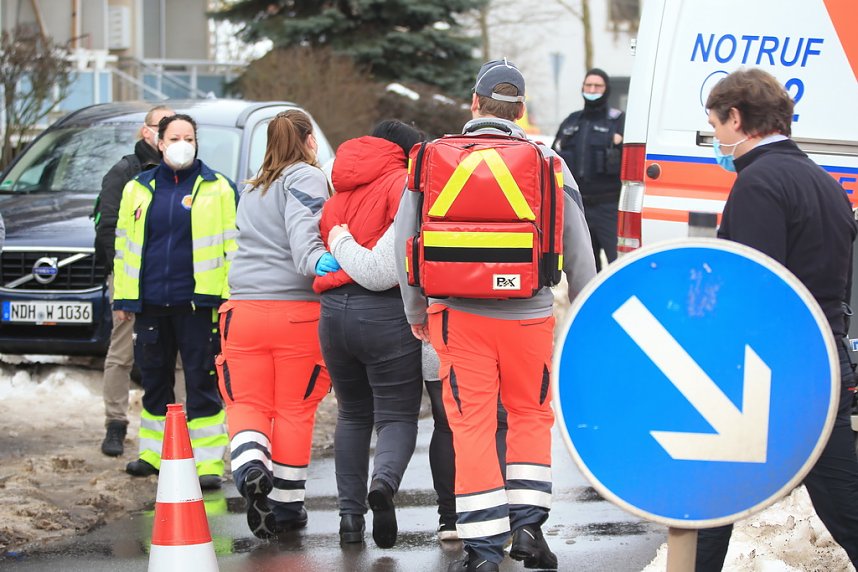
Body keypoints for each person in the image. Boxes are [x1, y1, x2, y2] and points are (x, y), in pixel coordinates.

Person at [394, 59, 597, 572]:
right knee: (530, 415)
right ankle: (528, 529)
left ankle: (483, 549)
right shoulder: (547, 159)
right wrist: (585, 304)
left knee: (473, 427)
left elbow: (404, 242)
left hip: (458, 317)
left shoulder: (431, 158)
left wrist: (416, 309)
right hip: (528, 315)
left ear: (474, 104)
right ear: (520, 111)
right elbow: (578, 243)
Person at [695, 68, 858, 571]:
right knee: (844, 506)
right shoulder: (824, 182)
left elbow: (754, 288)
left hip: (771, 374)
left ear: (737, 118)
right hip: (823, 363)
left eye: (716, 126)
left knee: (711, 500)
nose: (717, 139)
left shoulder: (758, 184)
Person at [215, 109, 335, 539]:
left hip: (243, 312)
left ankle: (249, 466)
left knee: (246, 404)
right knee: (292, 411)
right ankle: (286, 507)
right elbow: (306, 242)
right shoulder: (306, 178)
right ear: (307, 140)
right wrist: (337, 261)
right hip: (295, 314)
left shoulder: (252, 187)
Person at [314, 120, 424, 549]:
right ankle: (384, 484)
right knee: (396, 416)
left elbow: (320, 240)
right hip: (385, 315)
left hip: (333, 316)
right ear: (402, 151)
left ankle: (348, 519)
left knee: (352, 415)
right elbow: (388, 267)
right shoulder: (403, 185)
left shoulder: (337, 190)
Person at [113, 113, 236, 491]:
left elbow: (233, 248)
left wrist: (228, 299)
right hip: (151, 301)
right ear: (160, 143)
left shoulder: (217, 187)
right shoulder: (138, 188)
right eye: (174, 137)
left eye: (189, 137)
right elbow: (124, 246)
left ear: (196, 142)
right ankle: (153, 454)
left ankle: (208, 461)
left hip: (199, 304)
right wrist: (124, 296)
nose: (182, 143)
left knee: (201, 380)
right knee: (154, 380)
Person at [94, 105, 177, 457]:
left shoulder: (185, 172)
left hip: (172, 280)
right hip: (131, 277)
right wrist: (123, 274)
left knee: (173, 354)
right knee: (122, 351)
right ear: (148, 133)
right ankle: (115, 424)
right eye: (164, 127)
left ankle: (174, 427)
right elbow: (107, 227)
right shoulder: (125, 172)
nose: (172, 136)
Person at [552, 68, 625, 272]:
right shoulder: (572, 121)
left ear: (606, 89)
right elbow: (554, 160)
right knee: (586, 267)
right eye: (588, 86)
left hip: (609, 207)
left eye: (597, 86)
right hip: (578, 206)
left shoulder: (618, 121)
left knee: (617, 264)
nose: (592, 90)